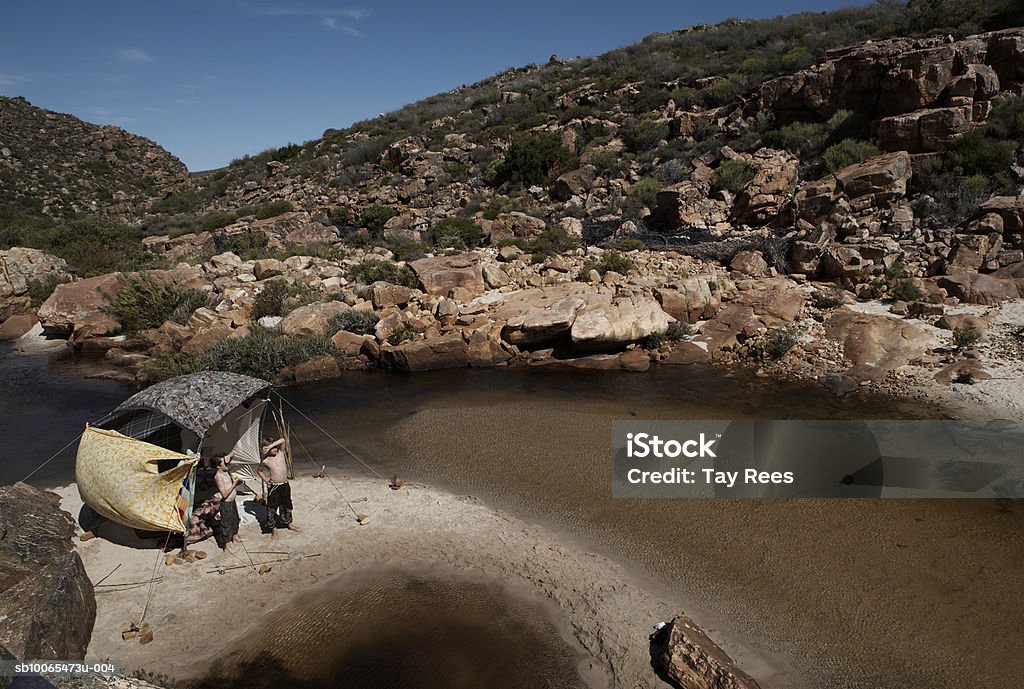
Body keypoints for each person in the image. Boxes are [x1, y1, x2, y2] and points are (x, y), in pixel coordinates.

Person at [257, 438, 301, 540]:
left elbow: (283, 440)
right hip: (274, 486)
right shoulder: (265, 460)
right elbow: (259, 471)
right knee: (272, 507)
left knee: (287, 504)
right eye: (272, 448)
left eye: (275, 447)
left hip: (284, 484)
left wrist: (272, 446)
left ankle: (288, 522)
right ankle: (273, 528)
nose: (275, 449)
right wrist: (266, 480)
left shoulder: (280, 453)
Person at [213, 452, 242, 553]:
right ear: (218, 466)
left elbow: (233, 453)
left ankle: (235, 536)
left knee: (235, 519)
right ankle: (227, 545)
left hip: (232, 502)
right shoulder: (218, 477)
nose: (227, 464)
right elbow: (224, 494)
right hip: (226, 504)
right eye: (224, 463)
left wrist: (227, 456)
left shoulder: (225, 471)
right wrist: (234, 484)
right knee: (226, 524)